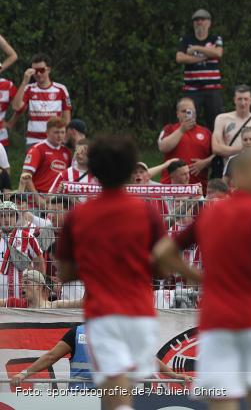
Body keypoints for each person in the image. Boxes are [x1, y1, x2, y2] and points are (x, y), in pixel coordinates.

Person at [155, 148, 251, 410]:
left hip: (216, 317)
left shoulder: (210, 214)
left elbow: (162, 253)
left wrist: (198, 277)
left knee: (222, 398)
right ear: (239, 176)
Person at [56, 134, 167, 410]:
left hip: (103, 314)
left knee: (114, 394)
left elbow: (65, 273)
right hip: (140, 312)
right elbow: (163, 268)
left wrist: (97, 265)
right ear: (131, 171)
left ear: (92, 171)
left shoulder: (78, 216)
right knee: (123, 393)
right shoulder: (148, 213)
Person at [9, 323, 189, 391]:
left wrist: (24, 374)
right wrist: (173, 375)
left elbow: (50, 357)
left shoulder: (77, 333)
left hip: (80, 398)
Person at [176, 8, 224, 128]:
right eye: (196, 20)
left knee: (216, 122)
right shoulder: (185, 40)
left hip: (212, 89)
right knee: (188, 120)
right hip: (192, 90)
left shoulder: (215, 39)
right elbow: (180, 58)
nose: (199, 22)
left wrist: (196, 48)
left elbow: (218, 53)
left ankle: (214, 141)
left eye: (202, 20)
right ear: (193, 23)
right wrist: (204, 57)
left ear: (209, 23)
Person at [11, 53, 72, 147]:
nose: (38, 74)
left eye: (41, 70)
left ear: (49, 69)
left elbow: (66, 119)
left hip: (54, 141)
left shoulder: (61, 89)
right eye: (35, 71)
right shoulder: (28, 88)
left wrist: (59, 136)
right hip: (33, 141)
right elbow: (16, 107)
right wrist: (24, 81)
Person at [158, 97, 214, 190]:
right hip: (170, 188)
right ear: (177, 114)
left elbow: (217, 156)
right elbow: (163, 148)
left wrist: (205, 163)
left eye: (190, 111)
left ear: (195, 112)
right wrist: (181, 130)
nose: (187, 114)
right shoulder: (170, 129)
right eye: (184, 111)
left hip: (198, 189)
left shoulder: (206, 132)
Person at [212, 84, 251, 176]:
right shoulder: (222, 119)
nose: (243, 103)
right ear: (234, 100)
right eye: (240, 99)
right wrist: (246, 147)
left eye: (246, 99)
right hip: (227, 172)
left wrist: (227, 150)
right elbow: (216, 148)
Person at [18, 117, 72, 193]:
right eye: (56, 132)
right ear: (47, 132)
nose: (60, 136)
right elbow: (25, 176)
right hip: (40, 195)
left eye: (62, 132)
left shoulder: (67, 152)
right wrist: (37, 197)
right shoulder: (37, 149)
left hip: (59, 197)